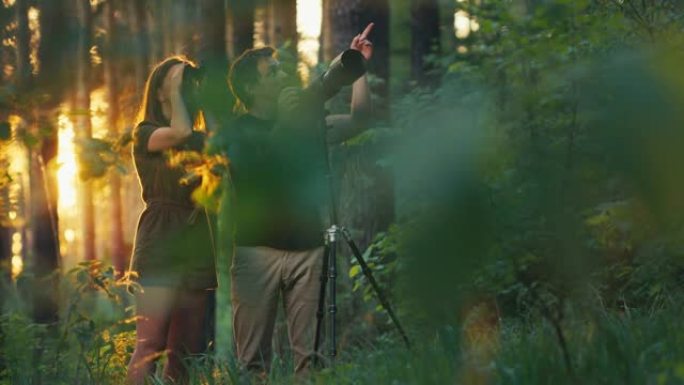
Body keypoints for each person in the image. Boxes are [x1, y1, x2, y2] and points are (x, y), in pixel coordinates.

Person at [225, 23, 375, 377]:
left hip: (307, 249)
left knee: (309, 360)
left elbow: (360, 120)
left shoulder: (305, 121)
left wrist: (358, 71)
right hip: (255, 252)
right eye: (272, 72)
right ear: (251, 87)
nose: (282, 75)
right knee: (252, 364)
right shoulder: (236, 133)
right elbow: (259, 171)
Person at [126, 56, 217, 385]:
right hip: (160, 239)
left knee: (186, 351)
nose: (185, 85)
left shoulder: (199, 139)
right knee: (149, 346)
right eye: (179, 80)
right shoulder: (145, 133)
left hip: (196, 239)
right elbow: (178, 131)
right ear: (161, 90)